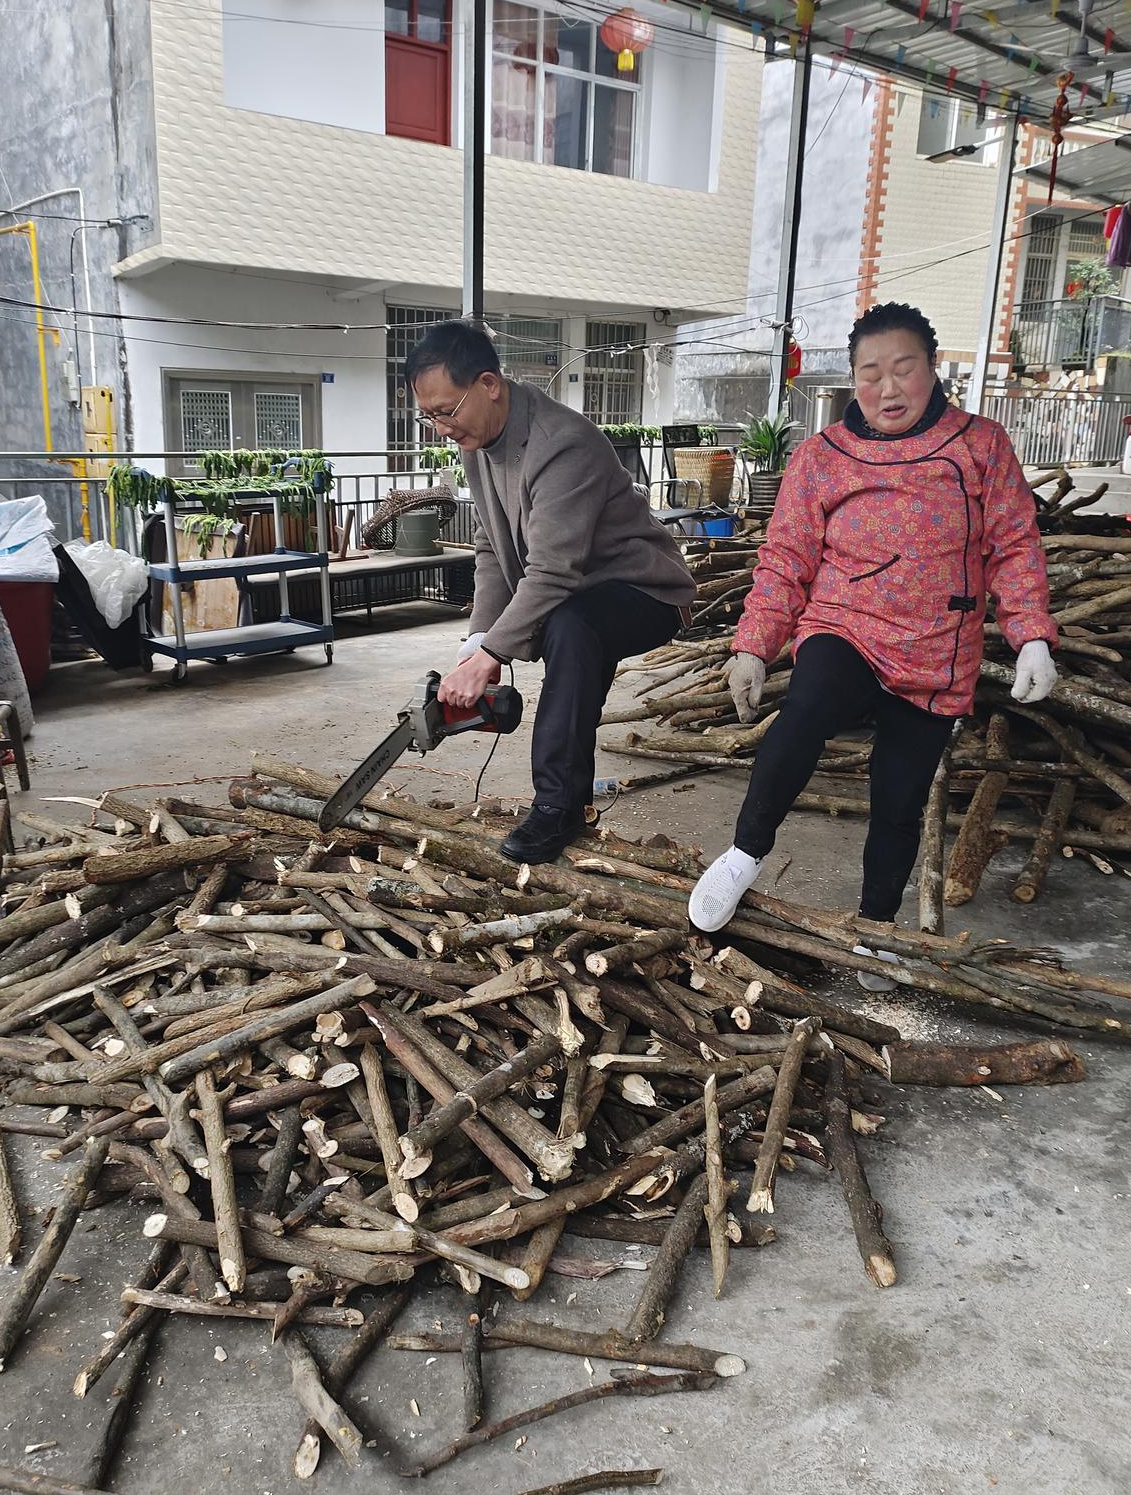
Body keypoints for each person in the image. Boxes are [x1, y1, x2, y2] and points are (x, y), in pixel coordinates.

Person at [687, 302, 1059, 987]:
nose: (888, 388)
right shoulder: (822, 456)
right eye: (869, 373)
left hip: (938, 653)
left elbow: (1014, 545)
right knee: (805, 711)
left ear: (932, 368)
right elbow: (786, 556)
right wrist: (752, 644)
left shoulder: (981, 446)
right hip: (844, 626)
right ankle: (742, 854)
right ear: (852, 380)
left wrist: (1030, 634)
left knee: (900, 795)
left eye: (903, 369)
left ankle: (874, 929)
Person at [409, 319, 697, 864]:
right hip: (577, 589)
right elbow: (491, 546)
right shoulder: (478, 443)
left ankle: (559, 807)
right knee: (568, 622)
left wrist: (496, 652)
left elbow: (553, 573)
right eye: (429, 417)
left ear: (490, 384)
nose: (441, 427)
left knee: (571, 626)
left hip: (644, 589)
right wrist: (479, 641)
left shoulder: (562, 444)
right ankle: (568, 793)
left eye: (447, 411)